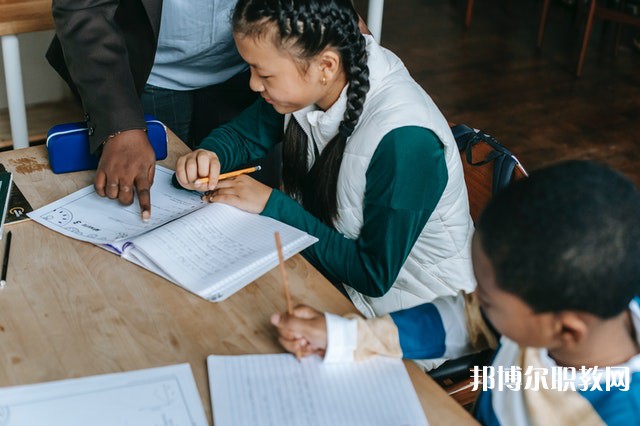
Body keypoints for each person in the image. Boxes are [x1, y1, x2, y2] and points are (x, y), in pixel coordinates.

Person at [175, 0, 475, 326]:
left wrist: (272, 205)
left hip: (413, 314)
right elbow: (244, 136)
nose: (252, 84)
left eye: (263, 72)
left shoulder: (405, 142)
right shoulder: (312, 82)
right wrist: (209, 155)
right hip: (324, 272)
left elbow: (372, 275)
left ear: (326, 66)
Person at [271, 160, 640, 425]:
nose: (474, 299)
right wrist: (343, 336)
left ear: (567, 332)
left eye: (489, 299)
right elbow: (466, 318)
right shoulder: (563, 308)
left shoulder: (612, 414)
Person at [46, 0, 257, 221]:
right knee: (148, 205)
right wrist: (121, 124)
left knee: (240, 213)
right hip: (145, 71)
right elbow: (83, 7)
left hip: (248, 69)